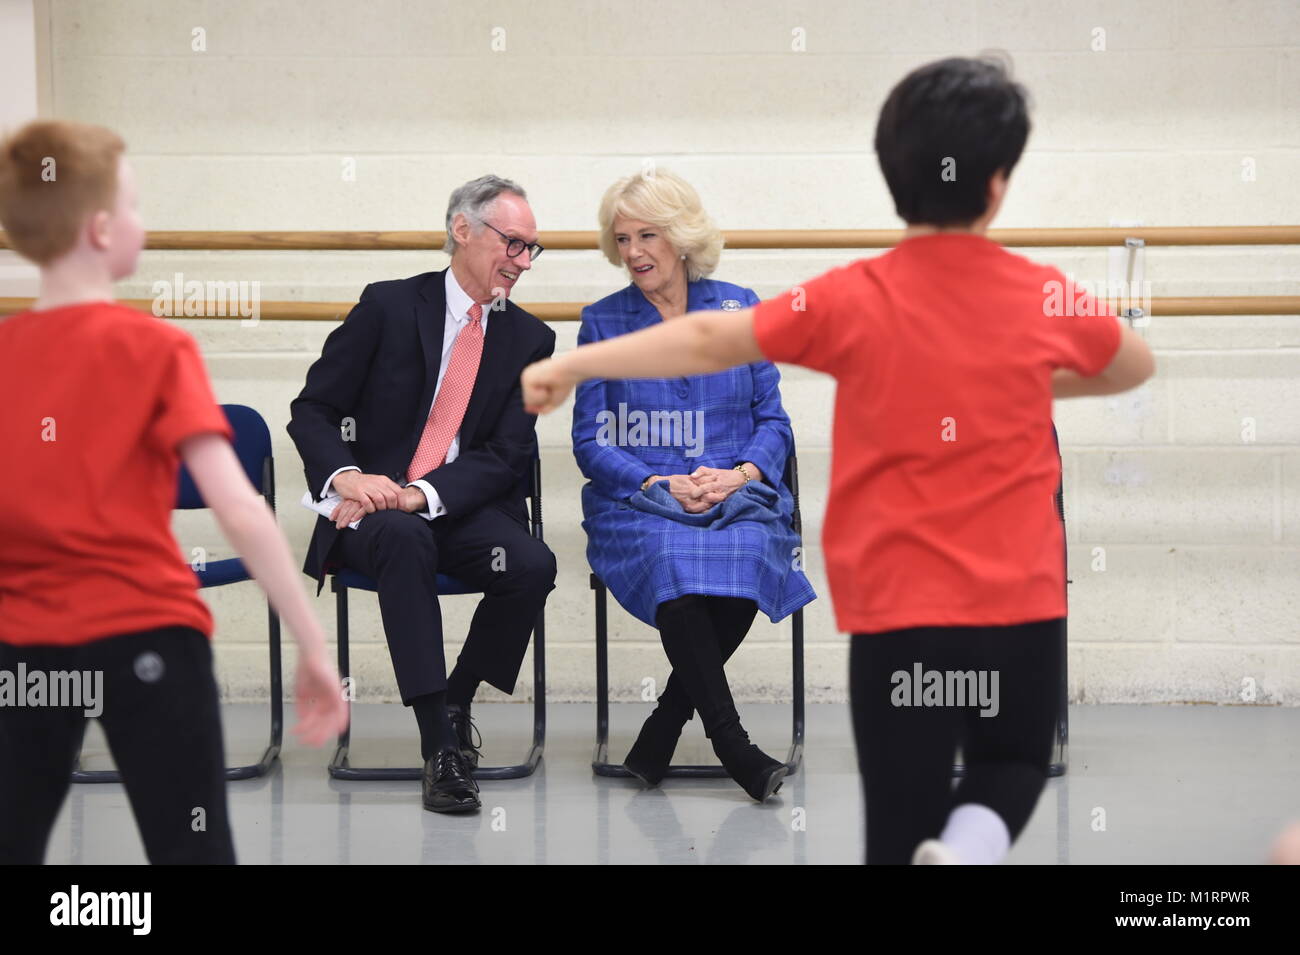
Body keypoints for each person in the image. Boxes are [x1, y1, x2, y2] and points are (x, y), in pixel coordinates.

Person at [521, 57, 1155, 863]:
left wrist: (570, 368)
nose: (636, 249)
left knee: (896, 814)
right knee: (1012, 760)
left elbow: (716, 338)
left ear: (892, 181)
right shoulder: (1038, 293)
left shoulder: (852, 295)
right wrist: (1022, 380)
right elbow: (1131, 361)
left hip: (894, 595)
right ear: (997, 185)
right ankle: (968, 848)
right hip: (1016, 593)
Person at [0, 119, 348, 864]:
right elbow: (240, 510)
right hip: (148, 642)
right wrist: (311, 641)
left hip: (21, 653)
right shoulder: (155, 348)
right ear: (100, 230)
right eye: (132, 207)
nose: (141, 223)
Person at [287, 175, 557, 813]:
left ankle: (457, 698)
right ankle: (439, 745)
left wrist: (422, 493)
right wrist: (346, 477)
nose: (521, 262)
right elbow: (313, 410)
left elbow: (505, 455)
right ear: (463, 230)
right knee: (404, 539)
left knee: (532, 565)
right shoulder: (387, 306)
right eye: (513, 244)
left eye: (530, 250)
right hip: (371, 514)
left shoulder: (529, 340)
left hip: (453, 507)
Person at [574, 170, 815, 801]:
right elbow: (591, 442)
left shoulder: (740, 307)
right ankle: (734, 746)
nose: (633, 252)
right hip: (642, 500)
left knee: (750, 554)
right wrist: (660, 480)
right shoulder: (602, 323)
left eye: (647, 234)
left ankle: (663, 726)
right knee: (671, 560)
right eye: (622, 238)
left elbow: (774, 421)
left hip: (737, 495)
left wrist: (738, 476)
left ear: (681, 238)